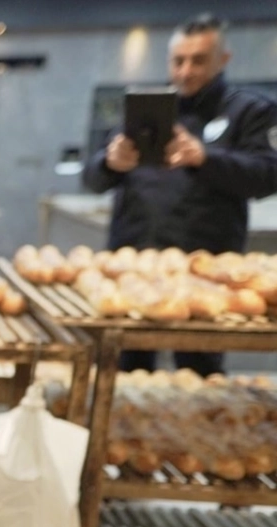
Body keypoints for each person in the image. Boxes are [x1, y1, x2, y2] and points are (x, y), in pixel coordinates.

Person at [83, 14, 277, 376]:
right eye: (178, 61)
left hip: (207, 272)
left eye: (198, 61)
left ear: (223, 60)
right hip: (134, 266)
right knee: (124, 373)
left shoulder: (250, 110)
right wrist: (110, 163)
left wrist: (206, 159)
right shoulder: (142, 107)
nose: (186, 71)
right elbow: (91, 179)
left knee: (200, 374)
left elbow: (268, 176)